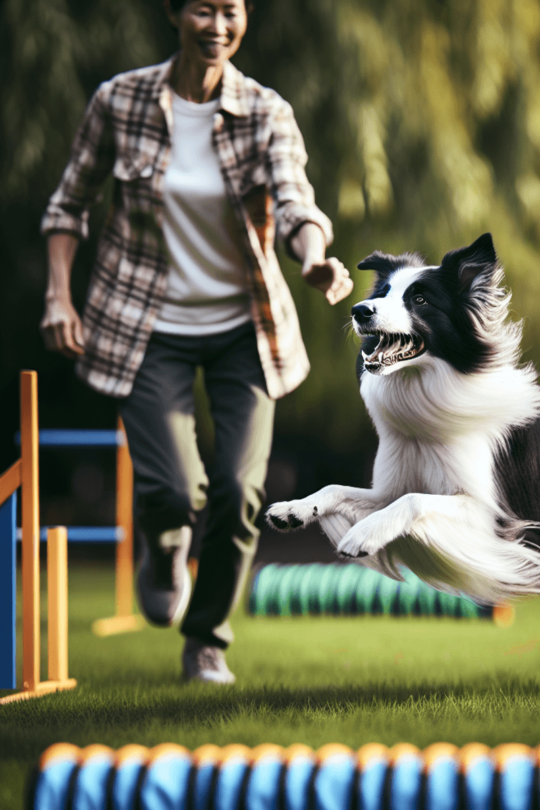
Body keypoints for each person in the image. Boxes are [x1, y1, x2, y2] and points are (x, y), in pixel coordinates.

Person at [39, 0, 353, 684]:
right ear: (173, 13)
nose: (218, 25)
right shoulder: (118, 103)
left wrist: (313, 257)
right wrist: (59, 294)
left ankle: (205, 640)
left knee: (241, 489)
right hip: (146, 327)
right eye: (203, 10)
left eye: (231, 10)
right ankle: (165, 540)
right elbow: (69, 204)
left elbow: (296, 200)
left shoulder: (267, 111)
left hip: (246, 329)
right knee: (176, 491)